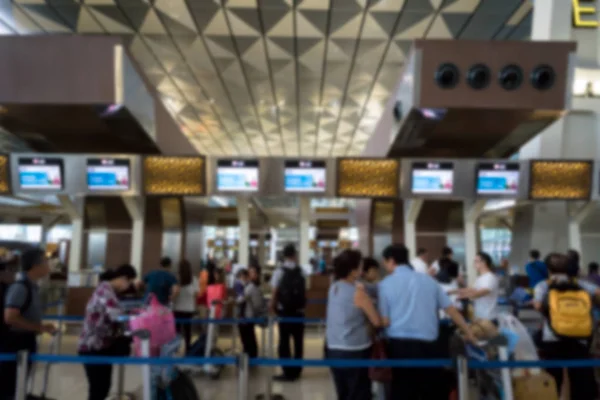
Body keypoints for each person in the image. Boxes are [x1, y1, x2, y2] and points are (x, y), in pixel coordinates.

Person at [378, 244, 476, 399]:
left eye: (385, 262)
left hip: (399, 345)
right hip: (429, 344)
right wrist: (468, 331)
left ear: (391, 261)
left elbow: (384, 320)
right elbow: (451, 310)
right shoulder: (429, 281)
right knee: (429, 387)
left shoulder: (385, 285)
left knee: (403, 387)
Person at [533, 253, 599, 400]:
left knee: (553, 377)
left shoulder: (543, 285)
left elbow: (537, 305)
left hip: (553, 337)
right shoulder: (580, 284)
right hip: (580, 336)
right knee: (580, 378)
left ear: (548, 269)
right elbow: (598, 293)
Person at [326, 250, 381, 400]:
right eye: (361, 266)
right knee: (359, 392)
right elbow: (376, 321)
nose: (363, 270)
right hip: (355, 350)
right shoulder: (359, 293)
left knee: (343, 393)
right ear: (353, 271)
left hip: (334, 348)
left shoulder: (334, 287)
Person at [0, 249, 55, 400]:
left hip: (25, 341)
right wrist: (40, 328)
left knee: (20, 383)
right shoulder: (20, 287)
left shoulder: (32, 287)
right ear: (35, 265)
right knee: (9, 386)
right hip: (15, 342)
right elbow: (10, 317)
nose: (48, 264)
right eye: (45, 261)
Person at [78, 264, 137, 400]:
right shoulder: (105, 291)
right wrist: (136, 322)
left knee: (103, 387)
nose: (129, 286)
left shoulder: (107, 290)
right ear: (123, 278)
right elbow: (116, 316)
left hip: (101, 345)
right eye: (130, 282)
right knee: (98, 389)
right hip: (92, 346)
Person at [269, 244, 306, 382]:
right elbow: (304, 291)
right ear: (294, 255)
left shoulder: (279, 271)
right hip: (299, 312)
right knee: (298, 342)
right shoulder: (301, 271)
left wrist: (272, 307)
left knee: (284, 342)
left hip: (284, 312)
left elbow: (274, 292)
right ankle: (297, 371)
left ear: (284, 255)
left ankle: (287, 371)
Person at [457, 252, 500, 322]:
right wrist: (452, 291)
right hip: (480, 316)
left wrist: (460, 296)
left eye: (476, 261)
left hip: (488, 318)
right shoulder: (480, 277)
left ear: (483, 262)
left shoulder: (490, 277)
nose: (474, 264)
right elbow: (472, 290)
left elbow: (477, 294)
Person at [236, 268, 265, 358]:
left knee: (248, 337)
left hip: (248, 316)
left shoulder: (251, 287)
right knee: (246, 337)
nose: (243, 279)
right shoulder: (247, 286)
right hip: (244, 316)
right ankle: (248, 355)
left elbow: (256, 304)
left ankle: (251, 356)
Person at [173, 260, 198, 353]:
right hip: (189, 308)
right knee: (188, 330)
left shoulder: (176, 278)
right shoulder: (194, 279)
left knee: (177, 330)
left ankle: (176, 348)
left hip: (177, 308)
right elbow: (196, 295)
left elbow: (173, 293)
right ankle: (188, 349)